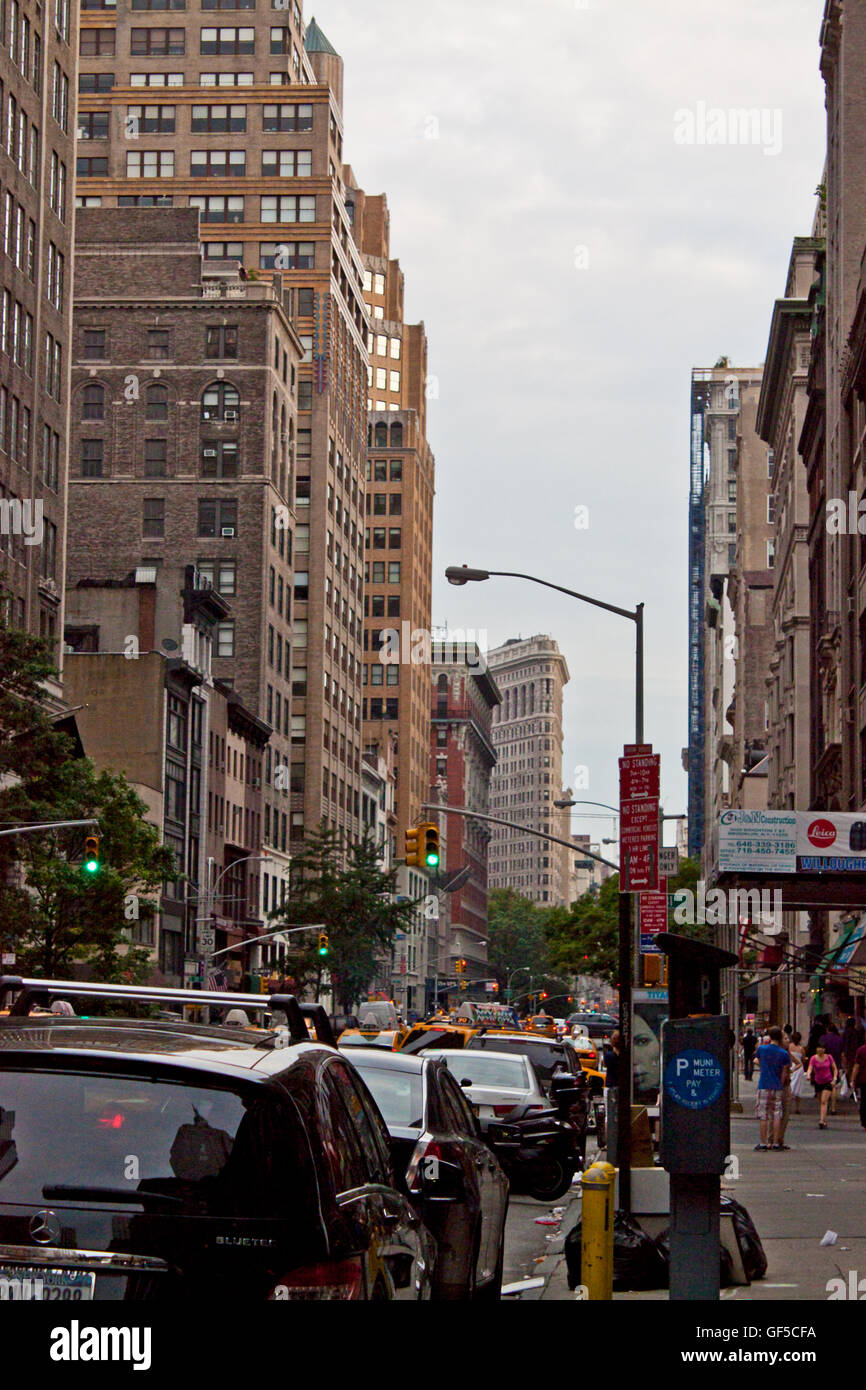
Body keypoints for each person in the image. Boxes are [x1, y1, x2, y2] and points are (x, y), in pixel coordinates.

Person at [754, 1025, 790, 1150]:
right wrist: (779, 1083)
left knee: (763, 1114)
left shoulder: (762, 1049)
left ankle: (764, 1143)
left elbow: (757, 1061)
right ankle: (775, 1142)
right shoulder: (784, 1053)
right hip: (777, 1085)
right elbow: (784, 1073)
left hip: (764, 1084)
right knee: (776, 1114)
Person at [806, 1042, 838, 1128]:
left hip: (828, 1081)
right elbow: (810, 1068)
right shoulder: (813, 1058)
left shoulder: (829, 1057)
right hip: (818, 1081)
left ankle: (821, 1120)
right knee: (821, 1101)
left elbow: (834, 1069)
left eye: (822, 1048)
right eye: (819, 1048)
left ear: (825, 1050)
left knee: (824, 1101)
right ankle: (824, 1118)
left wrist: (834, 1078)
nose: (820, 1050)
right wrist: (808, 1074)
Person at [819, 1023, 843, 1114]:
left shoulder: (823, 1038)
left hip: (824, 1062)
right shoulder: (839, 1039)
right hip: (835, 1063)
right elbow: (842, 1052)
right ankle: (833, 1108)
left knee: (823, 1084)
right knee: (833, 1085)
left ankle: (824, 1103)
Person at [849, 1034, 866, 1130]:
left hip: (863, 1079)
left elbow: (857, 1066)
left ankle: (864, 1122)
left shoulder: (861, 1050)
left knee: (864, 1102)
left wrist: (852, 1079)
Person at [788, 1030, 806, 1115]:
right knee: (798, 1088)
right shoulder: (801, 1048)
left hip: (791, 1066)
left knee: (789, 1087)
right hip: (799, 1069)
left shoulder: (789, 1047)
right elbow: (803, 1059)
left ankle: (788, 1106)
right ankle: (797, 1107)